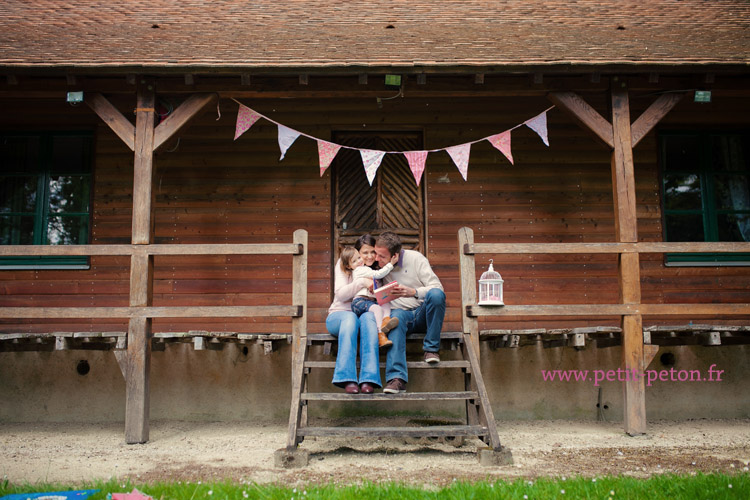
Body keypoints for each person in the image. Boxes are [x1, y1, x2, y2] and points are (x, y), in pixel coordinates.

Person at [373, 231, 446, 394]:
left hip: (421, 313)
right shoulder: (378, 267)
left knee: (436, 295)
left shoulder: (416, 259)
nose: (377, 259)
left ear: (395, 255)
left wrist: (413, 292)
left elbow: (438, 288)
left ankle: (431, 349)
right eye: (376, 253)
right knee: (395, 318)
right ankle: (396, 379)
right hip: (400, 314)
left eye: (382, 256)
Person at [326, 242, 382, 395]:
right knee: (350, 317)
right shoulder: (345, 263)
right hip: (339, 316)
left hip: (363, 316)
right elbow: (342, 295)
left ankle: (369, 379)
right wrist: (362, 282)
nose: (367, 257)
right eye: (363, 253)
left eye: (372, 253)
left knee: (370, 319)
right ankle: (346, 378)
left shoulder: (376, 270)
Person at [340, 245, 400, 349]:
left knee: (385, 302)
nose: (358, 262)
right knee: (377, 309)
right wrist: (391, 264)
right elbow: (378, 274)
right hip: (360, 301)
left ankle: (386, 320)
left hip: (369, 300)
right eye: (354, 261)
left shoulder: (364, 269)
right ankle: (380, 335)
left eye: (358, 258)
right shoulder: (360, 270)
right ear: (349, 266)